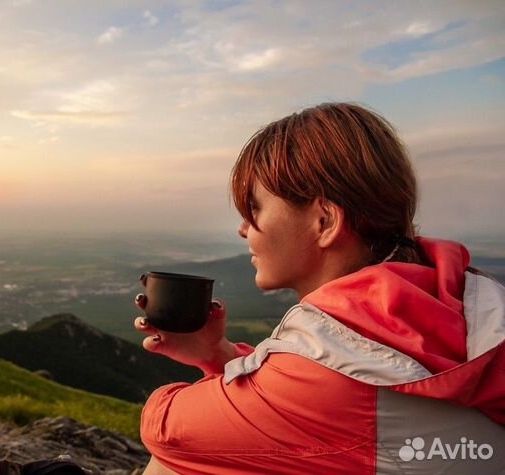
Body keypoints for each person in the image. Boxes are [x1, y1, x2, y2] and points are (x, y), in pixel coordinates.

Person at [133, 103, 505, 475]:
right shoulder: (466, 301)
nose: (243, 229)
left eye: (254, 208)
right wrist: (219, 354)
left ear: (324, 221)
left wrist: (199, 379)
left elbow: (167, 430)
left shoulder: (334, 359)